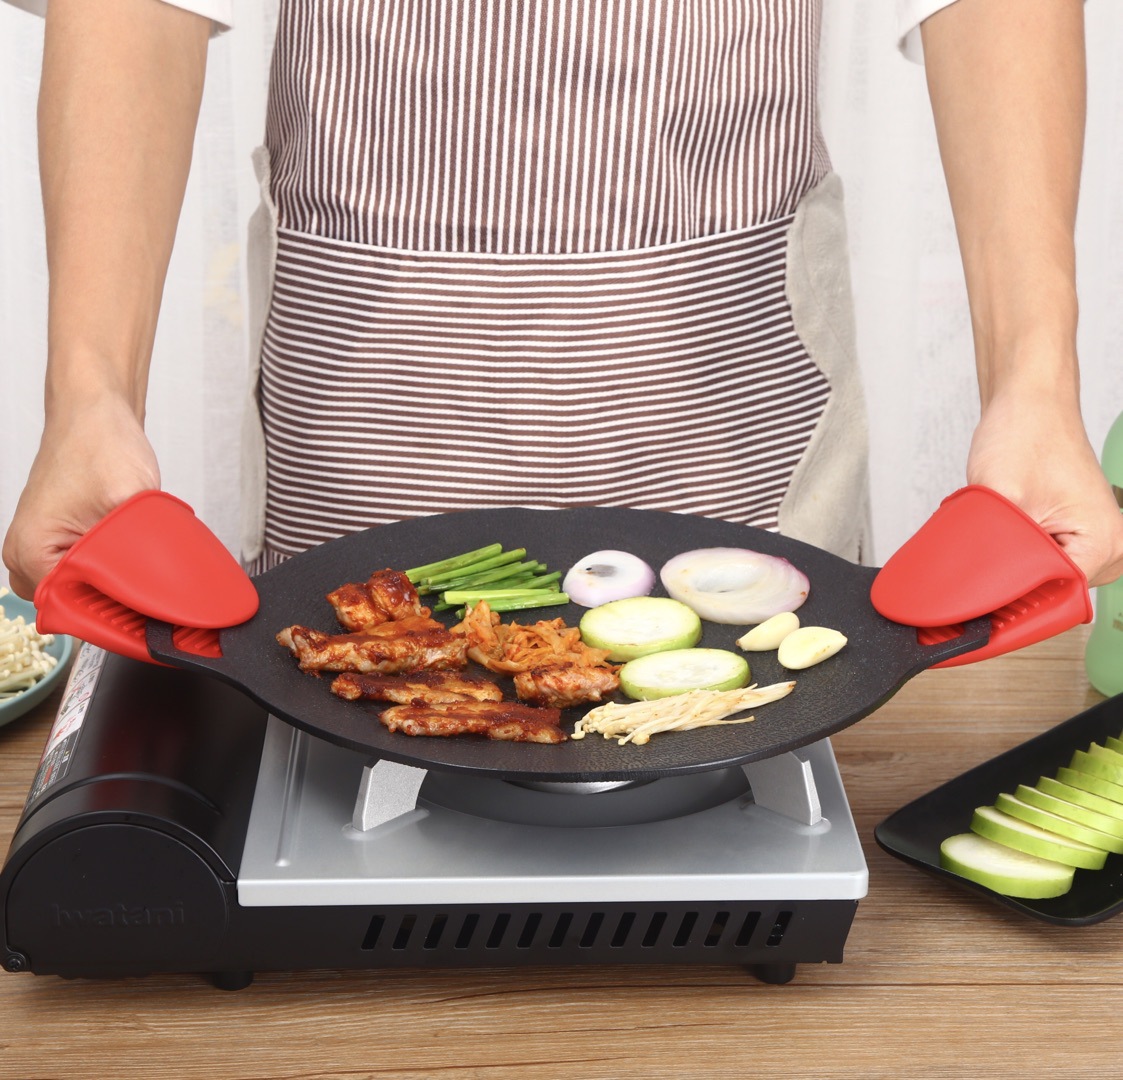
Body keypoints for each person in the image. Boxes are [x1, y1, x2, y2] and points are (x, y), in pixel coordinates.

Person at [3, 0, 1123, 604]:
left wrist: (1034, 380)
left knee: (749, 726)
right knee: (349, 698)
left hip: (725, 398)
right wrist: (90, 396)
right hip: (372, 408)